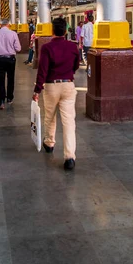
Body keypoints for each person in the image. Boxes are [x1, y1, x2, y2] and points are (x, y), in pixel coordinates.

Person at [33, 17, 80, 171]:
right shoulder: (72, 47)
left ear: (52, 30)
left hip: (51, 86)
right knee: (69, 122)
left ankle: (49, 143)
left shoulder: (46, 48)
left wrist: (37, 89)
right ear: (66, 31)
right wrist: (67, 74)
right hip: (68, 85)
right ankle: (69, 157)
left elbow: (43, 70)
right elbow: (76, 65)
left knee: (50, 116)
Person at [0, 19, 21, 109]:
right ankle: (10, 98)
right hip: (11, 59)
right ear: (8, 25)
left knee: (0, 80)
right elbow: (18, 48)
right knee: (11, 78)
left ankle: (1, 101)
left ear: (0, 24)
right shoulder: (13, 34)